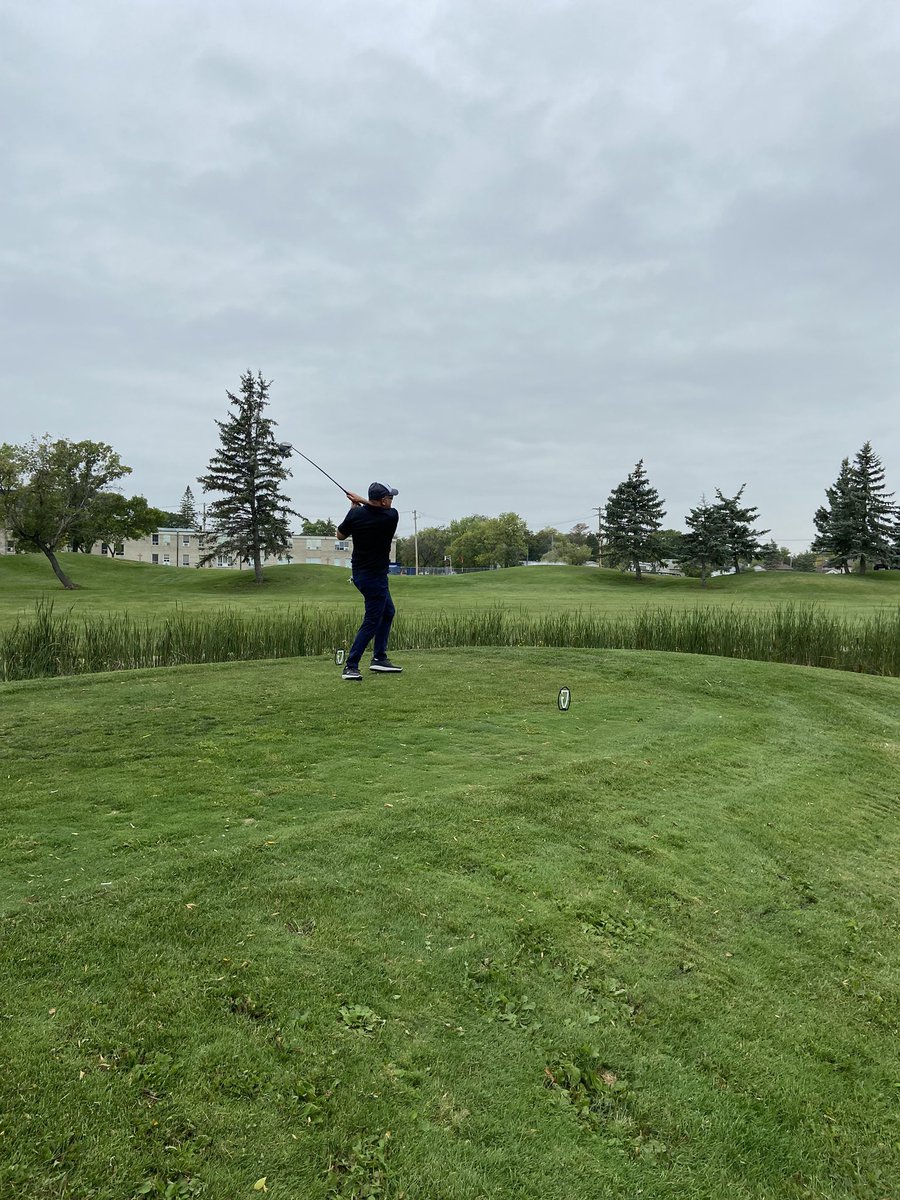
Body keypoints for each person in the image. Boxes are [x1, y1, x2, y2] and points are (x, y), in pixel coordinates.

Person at [337, 482, 403, 681]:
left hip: (361, 574)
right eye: (390, 498)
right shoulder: (391, 516)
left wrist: (354, 506)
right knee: (372, 620)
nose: (392, 501)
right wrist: (361, 501)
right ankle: (351, 665)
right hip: (374, 577)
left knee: (388, 612)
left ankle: (379, 658)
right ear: (383, 501)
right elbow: (375, 509)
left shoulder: (356, 515)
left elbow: (340, 535)